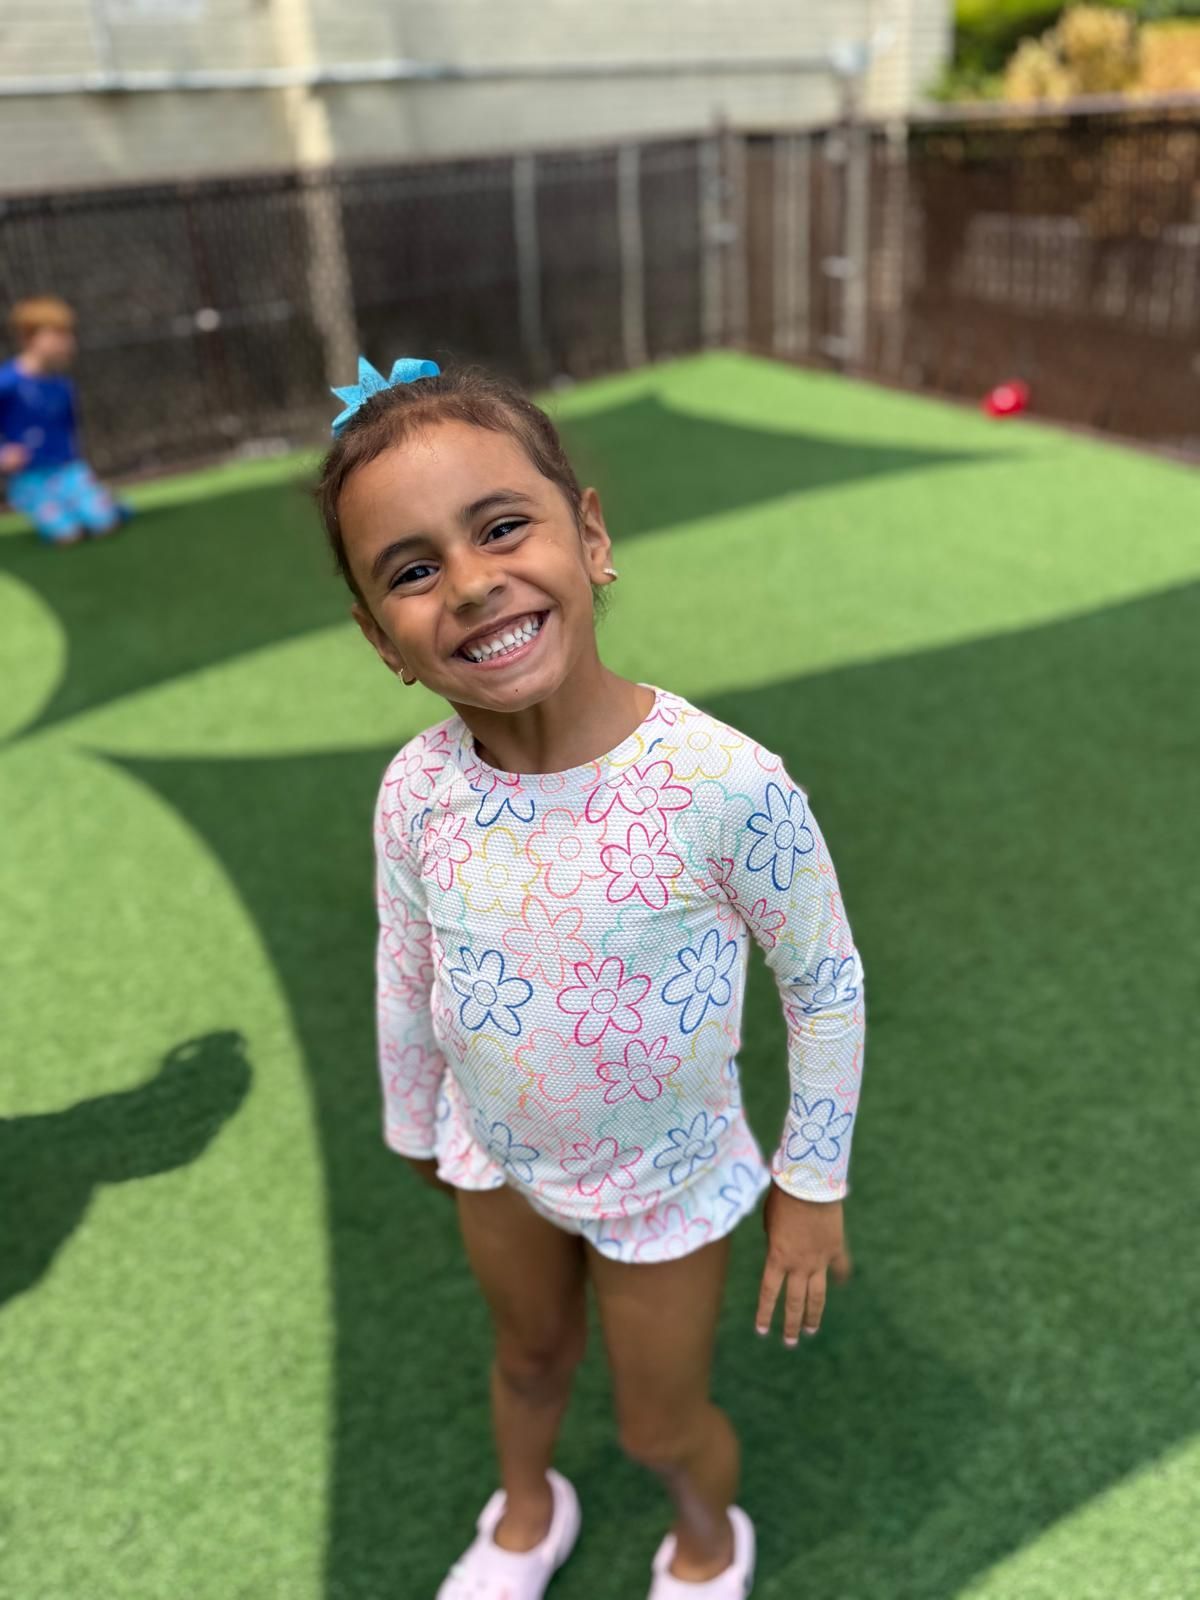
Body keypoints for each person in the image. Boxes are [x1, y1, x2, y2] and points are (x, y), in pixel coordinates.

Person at [316, 356, 866, 1600]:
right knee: (526, 1362)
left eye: (502, 526)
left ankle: (706, 1546)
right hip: (494, 1156)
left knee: (660, 1427)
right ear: (379, 636)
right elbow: (406, 965)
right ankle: (525, 1513)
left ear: (592, 536)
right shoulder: (416, 791)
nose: (471, 582)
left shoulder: (726, 784)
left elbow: (825, 982)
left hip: (667, 1178)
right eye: (411, 570)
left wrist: (811, 1178)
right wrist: (415, 1120)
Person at [0, 296, 127, 545]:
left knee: (103, 521)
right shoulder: (7, 382)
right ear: (29, 337)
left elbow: (69, 433)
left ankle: (99, 500)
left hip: (68, 471)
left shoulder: (63, 386)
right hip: (30, 477)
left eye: (68, 335)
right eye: (57, 335)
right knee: (68, 534)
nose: (66, 342)